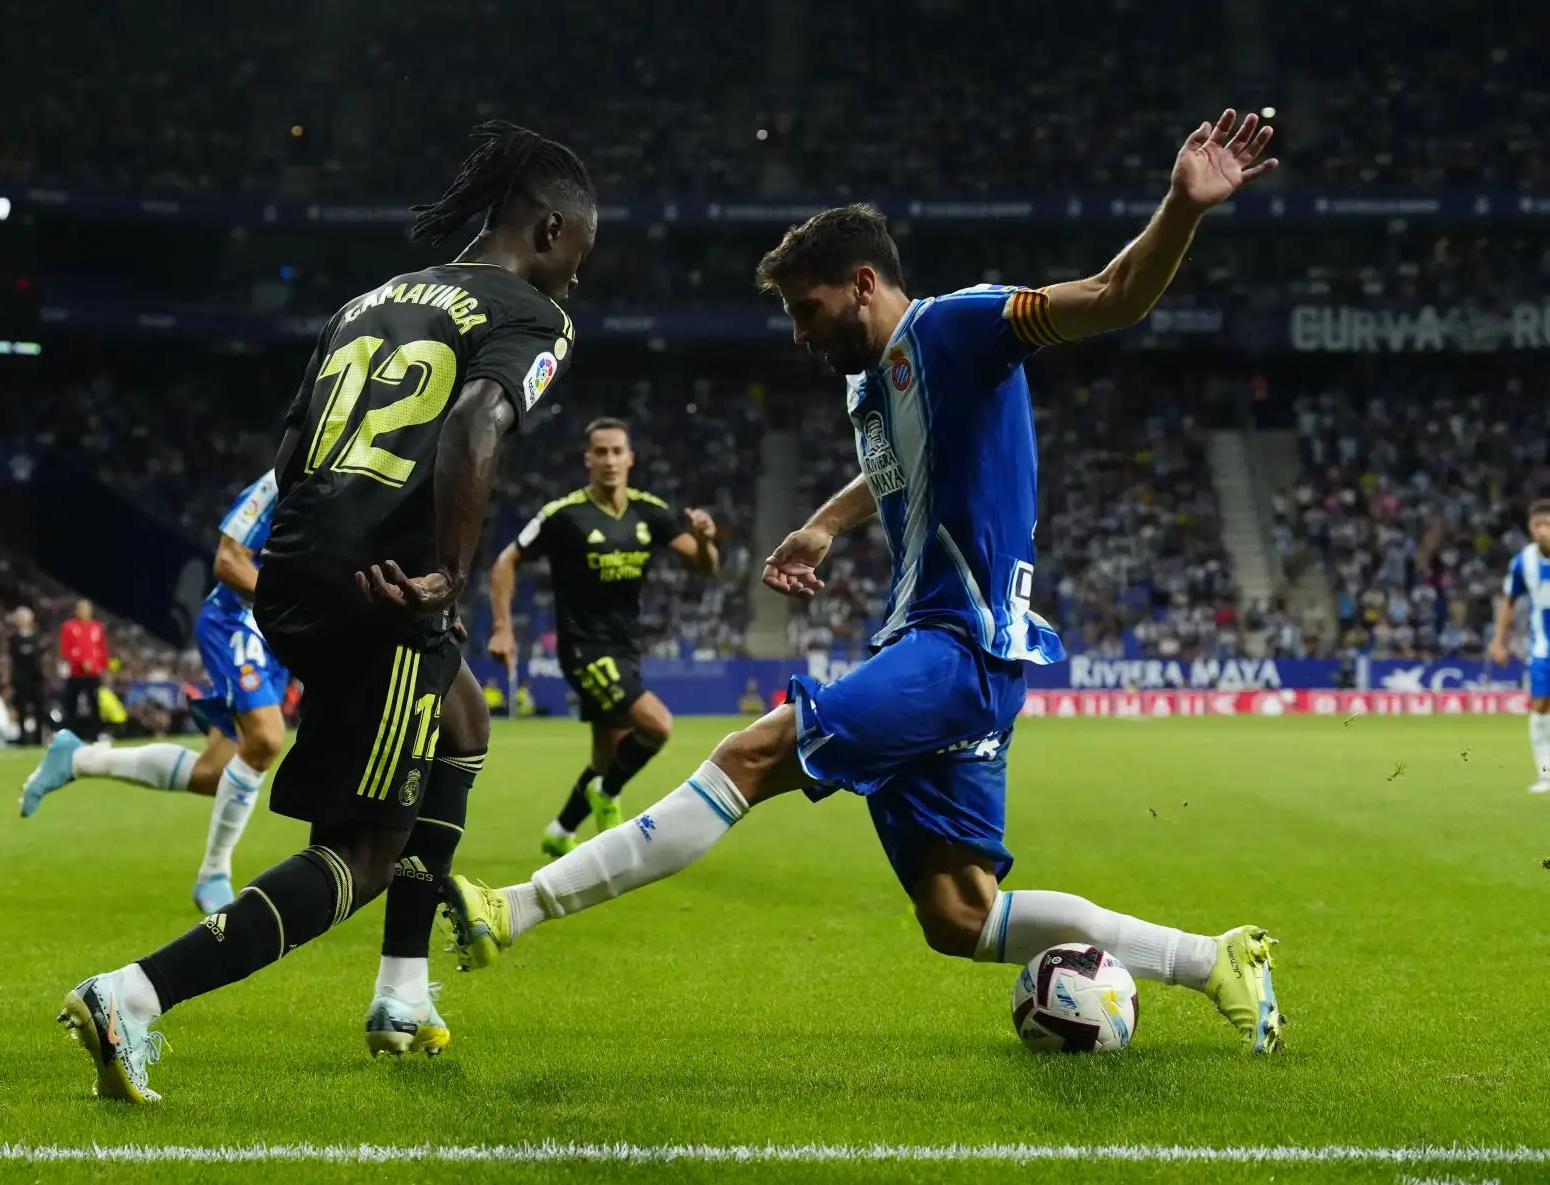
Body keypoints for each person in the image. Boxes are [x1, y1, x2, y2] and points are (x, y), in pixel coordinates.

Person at [444, 110, 1287, 1055]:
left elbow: (1116, 294)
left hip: (958, 646)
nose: (799, 335)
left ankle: (517, 906)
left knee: (752, 754)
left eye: (806, 311)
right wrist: (823, 524)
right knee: (960, 915)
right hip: (948, 648)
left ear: (861, 283)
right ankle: (1215, 960)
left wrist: (1182, 204)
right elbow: (893, 464)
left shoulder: (964, 325)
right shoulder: (870, 383)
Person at [55, 120, 596, 1099]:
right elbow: (478, 421)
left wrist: (318, 554)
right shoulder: (531, 314)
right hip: (387, 589)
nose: (577, 285)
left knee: (463, 723)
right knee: (364, 855)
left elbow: (292, 448)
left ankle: (402, 991)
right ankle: (133, 993)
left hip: (298, 568)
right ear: (550, 229)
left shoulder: (370, 300)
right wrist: (446, 574)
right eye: (579, 261)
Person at [19, 471, 293, 915]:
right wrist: (297, 599)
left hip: (282, 635)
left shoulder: (362, 485)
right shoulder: (283, 481)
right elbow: (229, 560)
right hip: (240, 621)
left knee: (215, 775)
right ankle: (213, 874)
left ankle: (77, 758)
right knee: (266, 739)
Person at [489, 418, 719, 857]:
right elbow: (505, 562)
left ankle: (560, 829)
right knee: (656, 726)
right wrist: (502, 627)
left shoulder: (649, 511)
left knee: (606, 756)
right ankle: (608, 794)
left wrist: (706, 540)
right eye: (601, 452)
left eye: (617, 451)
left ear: (630, 459)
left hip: (626, 646)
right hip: (582, 647)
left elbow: (705, 567)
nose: (610, 460)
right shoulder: (563, 515)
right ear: (588, 460)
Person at [1490, 498, 1550, 793]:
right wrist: (1499, 640)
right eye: (1538, 525)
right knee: (1540, 706)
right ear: (1530, 528)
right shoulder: (1523, 563)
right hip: (1544, 647)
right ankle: (1546, 774)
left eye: (1548, 525)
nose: (1543, 531)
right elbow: (1508, 602)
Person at [57, 600, 107, 741]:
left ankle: (95, 735)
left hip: (93, 673)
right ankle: (70, 735)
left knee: (95, 704)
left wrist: (102, 666)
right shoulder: (68, 627)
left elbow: (101, 648)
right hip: (76, 673)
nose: (84, 611)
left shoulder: (97, 627)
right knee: (71, 704)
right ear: (76, 610)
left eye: (87, 608)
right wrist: (80, 662)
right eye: (81, 608)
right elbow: (66, 649)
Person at [7, 607, 48, 745]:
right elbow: (15, 655)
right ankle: (23, 738)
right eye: (19, 619)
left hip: (36, 678)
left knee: (39, 709)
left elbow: (38, 654)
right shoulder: (13, 638)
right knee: (22, 708)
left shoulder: (37, 637)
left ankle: (38, 738)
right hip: (21, 679)